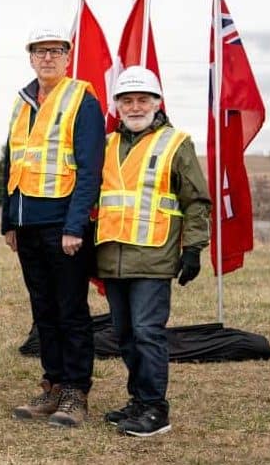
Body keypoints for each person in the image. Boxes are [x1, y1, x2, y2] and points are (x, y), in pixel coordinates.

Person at [95, 66, 210, 437]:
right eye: (126, 100)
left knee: (147, 332)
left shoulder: (177, 143)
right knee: (125, 334)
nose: (134, 106)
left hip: (154, 257)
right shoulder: (107, 144)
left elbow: (196, 201)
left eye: (142, 99)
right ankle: (139, 401)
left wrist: (193, 248)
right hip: (112, 256)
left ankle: (156, 409)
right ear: (117, 106)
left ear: (157, 103)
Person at [3, 27, 105, 427]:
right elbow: (14, 163)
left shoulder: (82, 98)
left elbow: (90, 168)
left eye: (56, 51)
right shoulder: (22, 102)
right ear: (30, 57)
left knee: (70, 311)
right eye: (40, 51)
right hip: (27, 226)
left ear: (68, 56)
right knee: (43, 310)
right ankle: (53, 385)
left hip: (63, 226)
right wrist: (11, 220)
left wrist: (75, 225)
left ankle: (76, 393)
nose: (47, 58)